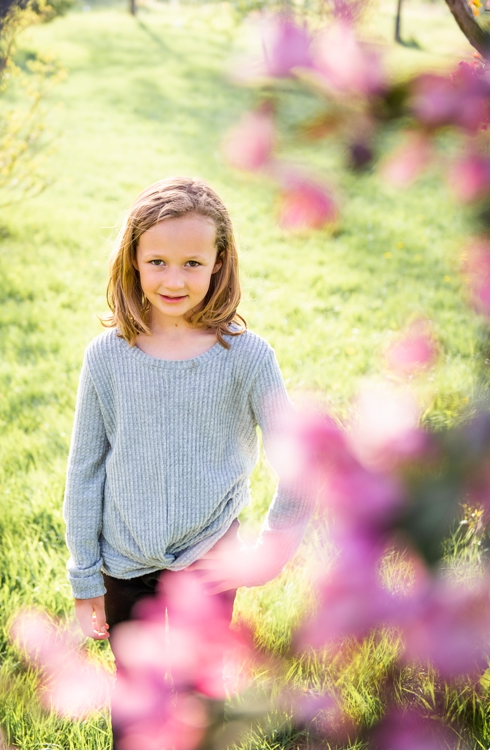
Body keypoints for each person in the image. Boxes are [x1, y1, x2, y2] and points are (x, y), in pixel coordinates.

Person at [63, 177, 311, 748]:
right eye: (158, 262)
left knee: (201, 694)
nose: (174, 280)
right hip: (123, 560)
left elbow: (298, 461)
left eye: (193, 262)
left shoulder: (246, 358)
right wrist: (84, 578)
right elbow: (85, 470)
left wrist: (271, 550)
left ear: (220, 263)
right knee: (135, 696)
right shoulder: (106, 357)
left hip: (210, 560)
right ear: (133, 262)